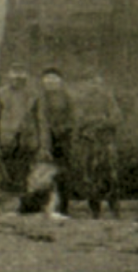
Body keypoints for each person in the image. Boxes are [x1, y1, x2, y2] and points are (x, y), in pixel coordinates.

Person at [0, 64, 41, 212]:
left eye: (21, 77)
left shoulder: (34, 94)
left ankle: (23, 206)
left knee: (25, 173)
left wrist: (41, 142)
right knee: (5, 174)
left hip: (28, 140)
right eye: (15, 76)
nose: (18, 80)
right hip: (6, 139)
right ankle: (3, 206)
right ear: (9, 77)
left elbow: (41, 120)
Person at [77, 72, 124, 219]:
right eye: (90, 82)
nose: (94, 86)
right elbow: (78, 121)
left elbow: (117, 118)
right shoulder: (81, 101)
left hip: (106, 142)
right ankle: (95, 210)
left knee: (111, 174)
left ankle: (115, 208)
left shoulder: (108, 99)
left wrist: (99, 123)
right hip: (88, 142)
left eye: (97, 82)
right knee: (90, 175)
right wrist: (96, 121)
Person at [35, 67, 77, 218]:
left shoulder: (67, 97)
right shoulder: (40, 98)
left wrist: (64, 131)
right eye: (47, 80)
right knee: (44, 174)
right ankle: (46, 206)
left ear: (60, 81)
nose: (50, 83)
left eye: (54, 79)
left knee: (63, 174)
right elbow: (41, 121)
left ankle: (63, 207)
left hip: (64, 139)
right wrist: (43, 143)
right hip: (44, 139)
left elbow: (74, 118)